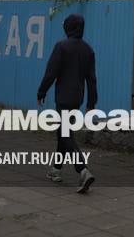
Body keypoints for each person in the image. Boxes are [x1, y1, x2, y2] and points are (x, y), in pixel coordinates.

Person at [37, 13, 97, 193]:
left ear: (68, 27)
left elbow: (51, 73)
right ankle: (55, 170)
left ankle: (83, 170)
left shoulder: (61, 46)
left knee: (65, 134)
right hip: (78, 98)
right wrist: (91, 103)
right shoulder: (88, 50)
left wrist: (42, 91)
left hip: (63, 97)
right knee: (64, 133)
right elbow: (91, 79)